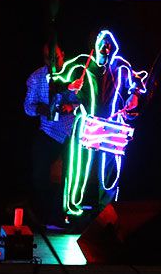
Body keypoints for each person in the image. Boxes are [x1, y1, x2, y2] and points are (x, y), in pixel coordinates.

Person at [51, 29, 147, 222]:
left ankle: (107, 211)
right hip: (86, 122)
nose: (106, 49)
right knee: (78, 168)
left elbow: (137, 82)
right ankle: (72, 209)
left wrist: (134, 95)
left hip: (111, 124)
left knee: (110, 171)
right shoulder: (82, 63)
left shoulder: (121, 66)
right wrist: (70, 86)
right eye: (102, 44)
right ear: (94, 46)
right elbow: (57, 78)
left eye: (109, 45)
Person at [24, 43, 76, 229]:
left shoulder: (74, 73)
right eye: (49, 58)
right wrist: (44, 109)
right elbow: (28, 107)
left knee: (70, 176)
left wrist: (71, 106)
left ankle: (61, 216)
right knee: (40, 175)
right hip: (48, 131)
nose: (53, 62)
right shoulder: (36, 78)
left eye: (56, 57)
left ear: (63, 55)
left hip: (72, 133)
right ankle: (42, 216)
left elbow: (86, 99)